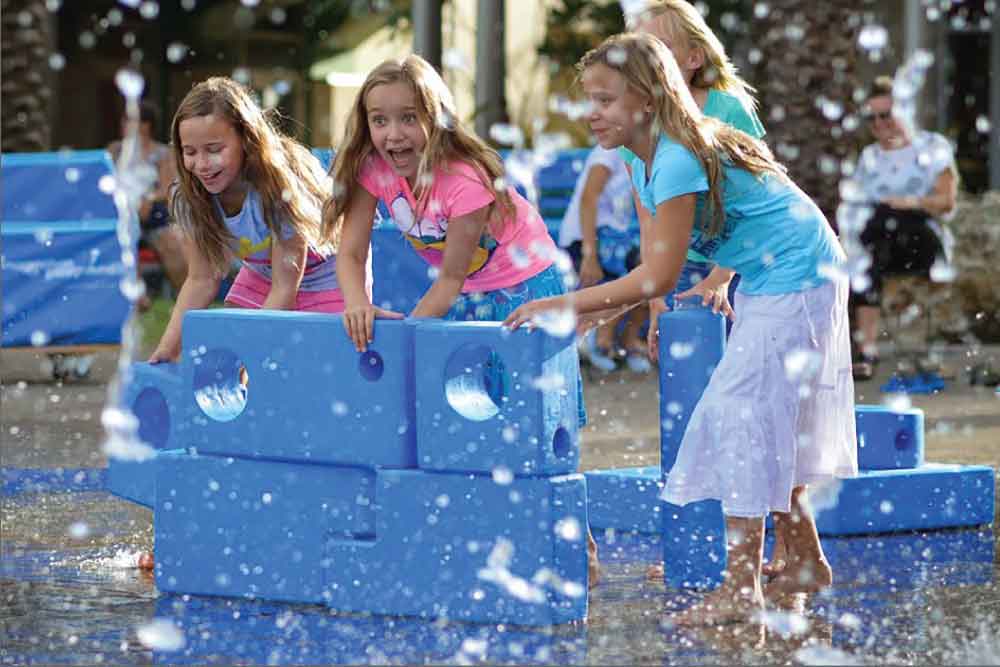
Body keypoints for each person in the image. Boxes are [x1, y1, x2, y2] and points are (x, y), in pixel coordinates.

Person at [504, 33, 858, 625]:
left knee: (741, 415)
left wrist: (562, 304)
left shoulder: (675, 157)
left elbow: (658, 274)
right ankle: (805, 562)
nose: (593, 113)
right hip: (780, 273)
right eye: (589, 100)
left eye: (606, 100)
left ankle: (742, 589)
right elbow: (654, 272)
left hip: (799, 274)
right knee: (764, 416)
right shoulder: (639, 159)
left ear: (647, 100)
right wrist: (595, 318)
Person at [319, 54, 597, 585]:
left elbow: (446, 282)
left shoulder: (464, 182)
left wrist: (403, 342)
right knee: (468, 417)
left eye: (408, 118)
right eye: (380, 120)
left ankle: (577, 545)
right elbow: (349, 253)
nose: (393, 134)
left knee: (528, 419)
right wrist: (355, 302)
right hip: (468, 288)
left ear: (435, 120)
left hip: (524, 286)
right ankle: (492, 537)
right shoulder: (371, 170)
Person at [147, 76, 354, 366]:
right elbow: (201, 279)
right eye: (190, 152)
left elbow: (285, 289)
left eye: (215, 150)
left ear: (246, 140)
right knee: (235, 342)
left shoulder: (277, 191)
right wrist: (167, 350)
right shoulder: (192, 197)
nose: (202, 164)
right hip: (265, 269)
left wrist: (251, 356)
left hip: (328, 272)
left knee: (315, 360)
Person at [626, 0, 767, 353]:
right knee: (685, 372)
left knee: (740, 371)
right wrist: (655, 292)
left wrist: (722, 277)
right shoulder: (635, 124)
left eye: (660, 48)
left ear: (694, 58)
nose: (648, 59)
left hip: (740, 260)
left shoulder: (728, 108)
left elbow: (758, 200)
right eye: (640, 48)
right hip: (680, 262)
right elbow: (649, 219)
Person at [846, 75, 958, 381]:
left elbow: (946, 201)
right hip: (881, 239)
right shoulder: (869, 157)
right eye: (872, 118)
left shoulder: (932, 145)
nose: (880, 124)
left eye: (886, 115)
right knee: (866, 244)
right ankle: (867, 349)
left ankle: (868, 349)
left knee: (887, 222)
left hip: (922, 233)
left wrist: (907, 201)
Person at [558, 145, 649, 373]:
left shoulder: (641, 153)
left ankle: (626, 341)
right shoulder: (609, 152)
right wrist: (589, 254)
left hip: (615, 238)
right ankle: (600, 340)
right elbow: (588, 198)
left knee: (653, 273)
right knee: (624, 281)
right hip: (587, 238)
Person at [108, 100, 188, 307]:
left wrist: (147, 199)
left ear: (146, 125)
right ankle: (135, 294)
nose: (124, 124)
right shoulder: (114, 151)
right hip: (120, 213)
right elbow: (105, 182)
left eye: (130, 120)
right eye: (124, 120)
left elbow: (167, 188)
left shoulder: (162, 153)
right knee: (123, 234)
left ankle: (187, 298)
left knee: (172, 241)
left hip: (151, 211)